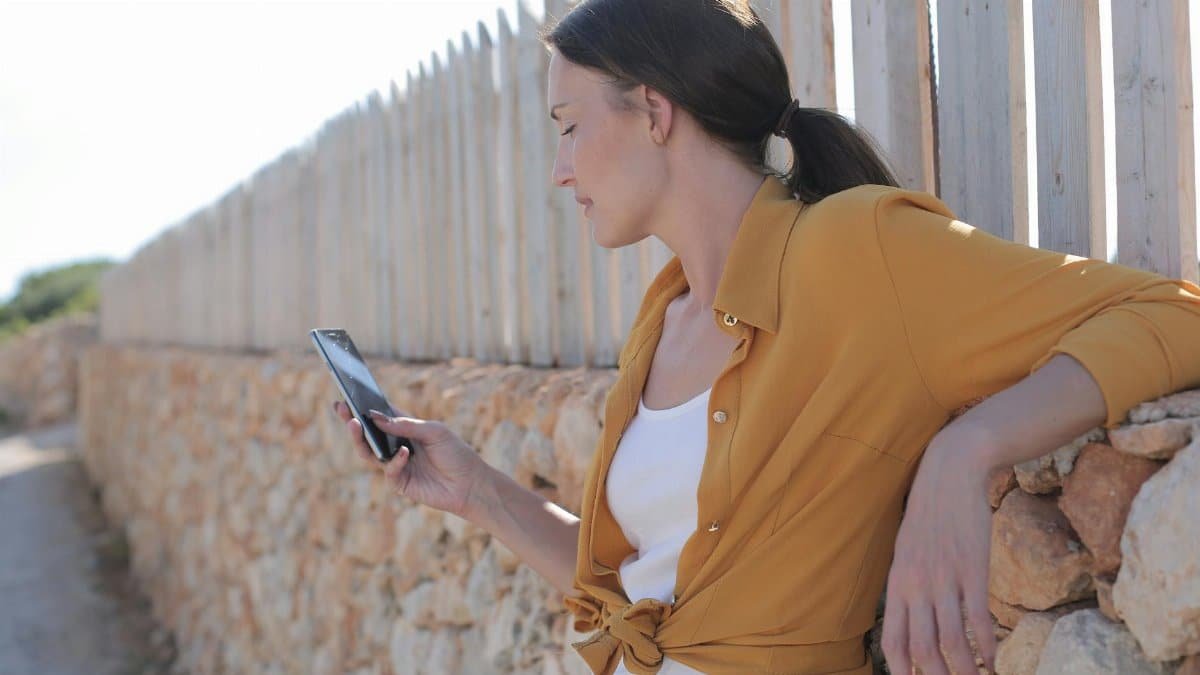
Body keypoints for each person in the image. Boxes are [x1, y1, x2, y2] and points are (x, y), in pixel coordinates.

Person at [334, 1, 1200, 673]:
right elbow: (646, 606)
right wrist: (475, 488)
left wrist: (966, 449)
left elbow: (1176, 311)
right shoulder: (661, 319)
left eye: (568, 125)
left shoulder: (854, 250)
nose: (560, 168)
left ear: (654, 111)